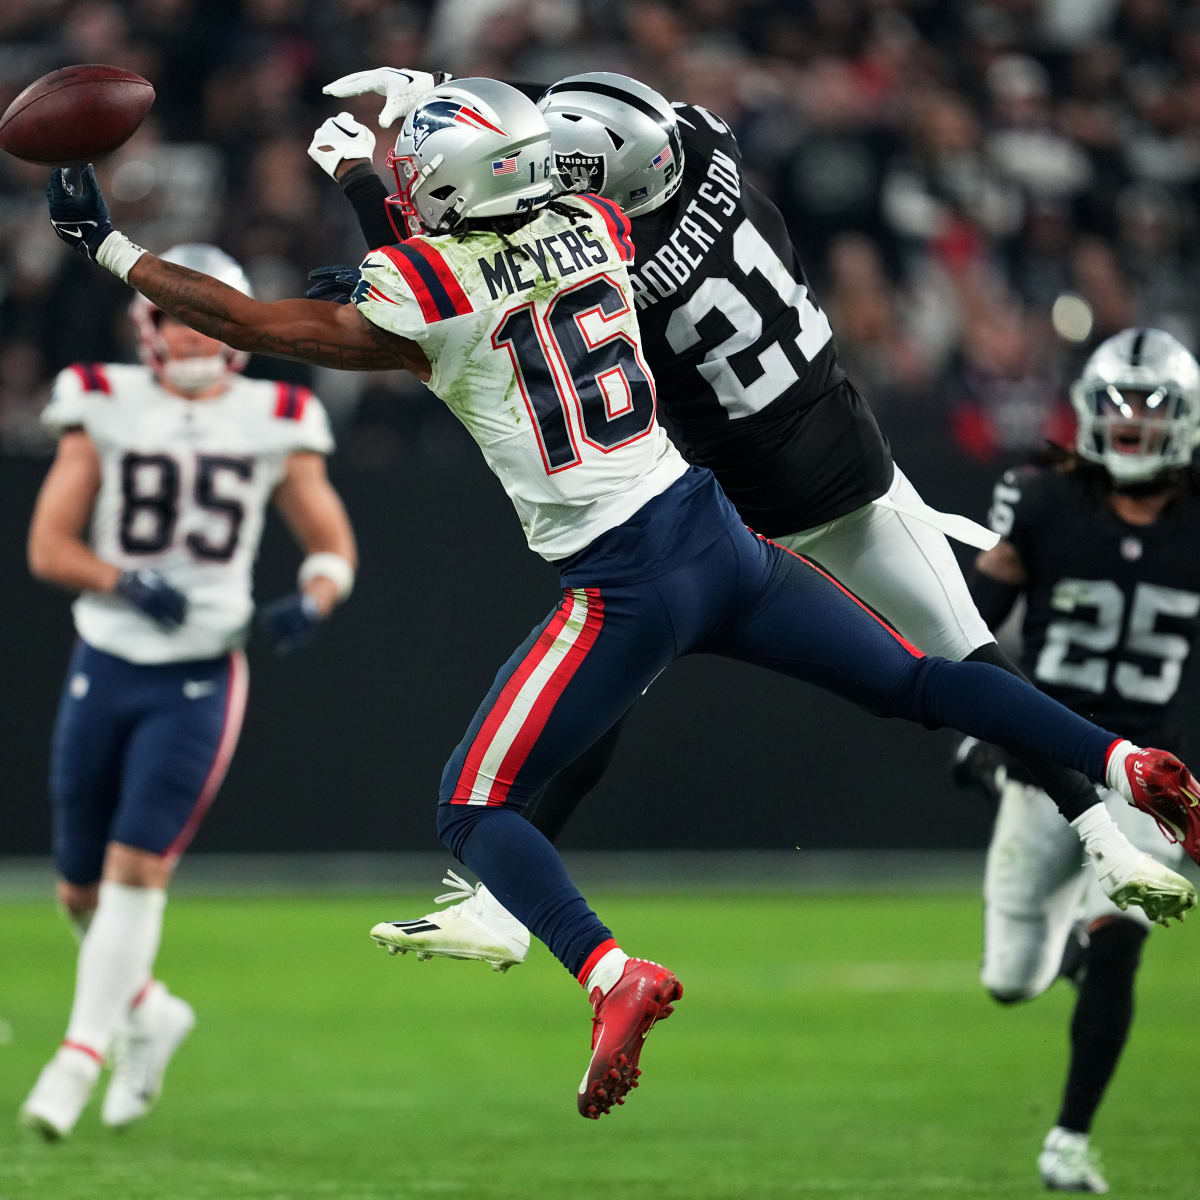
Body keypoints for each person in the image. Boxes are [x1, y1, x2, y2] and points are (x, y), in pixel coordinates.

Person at [45, 80, 1199, 1119]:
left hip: (627, 582)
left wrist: (111, 250)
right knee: (923, 681)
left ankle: (609, 972)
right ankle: (1117, 764)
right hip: (720, 539)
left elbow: (268, 322)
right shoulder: (593, 226)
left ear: (451, 186)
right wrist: (363, 187)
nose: (403, 183)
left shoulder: (427, 287)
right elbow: (433, 273)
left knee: (471, 807)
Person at [307, 68, 1200, 969]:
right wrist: (453, 88)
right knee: (963, 664)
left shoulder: (612, 256)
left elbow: (470, 281)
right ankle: (1106, 825)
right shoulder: (706, 147)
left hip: (750, 511)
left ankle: (507, 908)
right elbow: (613, 107)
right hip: (852, 460)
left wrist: (369, 192)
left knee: (603, 697)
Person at [18, 245, 358, 1140]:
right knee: (80, 893)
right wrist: (121, 581)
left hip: (203, 669)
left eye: (209, 314)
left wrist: (315, 597)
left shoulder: (277, 411)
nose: (195, 332)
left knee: (140, 870)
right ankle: (151, 1014)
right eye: (178, 314)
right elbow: (51, 546)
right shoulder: (103, 398)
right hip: (108, 656)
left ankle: (79, 1054)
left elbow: (331, 542)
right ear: (148, 324)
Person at [959, 327, 1200, 1193]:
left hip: (1147, 773)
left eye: (1153, 407)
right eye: (1121, 406)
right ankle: (1062, 951)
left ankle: (1068, 1138)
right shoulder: (1041, 498)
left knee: (1124, 933)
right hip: (1046, 763)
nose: (1134, 424)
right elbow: (967, 625)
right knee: (1009, 981)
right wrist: (978, 725)